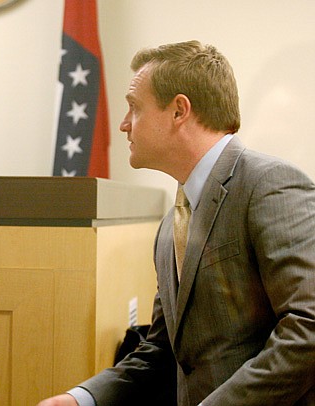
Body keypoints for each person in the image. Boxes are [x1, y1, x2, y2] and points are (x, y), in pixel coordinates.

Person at [38, 40, 315, 406]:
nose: (123, 124)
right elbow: (163, 351)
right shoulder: (172, 225)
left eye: (134, 108)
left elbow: (308, 327)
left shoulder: (269, 183)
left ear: (179, 111)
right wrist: (81, 399)